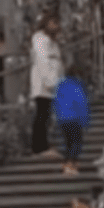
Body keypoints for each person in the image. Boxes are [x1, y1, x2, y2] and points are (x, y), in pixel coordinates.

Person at [29, 13, 63, 158]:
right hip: (44, 84)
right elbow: (43, 61)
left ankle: (43, 145)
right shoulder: (41, 41)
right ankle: (39, 147)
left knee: (45, 114)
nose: (56, 26)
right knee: (42, 114)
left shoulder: (50, 41)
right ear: (46, 24)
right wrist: (50, 81)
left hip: (49, 83)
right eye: (53, 23)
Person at [53, 66, 91, 176]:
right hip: (74, 118)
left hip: (63, 119)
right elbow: (81, 103)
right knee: (77, 142)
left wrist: (57, 117)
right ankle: (70, 164)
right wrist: (85, 120)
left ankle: (66, 163)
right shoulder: (76, 85)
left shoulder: (60, 85)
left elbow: (56, 102)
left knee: (68, 142)